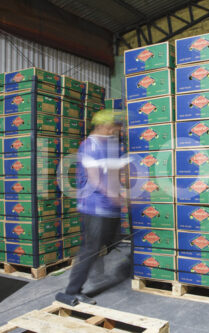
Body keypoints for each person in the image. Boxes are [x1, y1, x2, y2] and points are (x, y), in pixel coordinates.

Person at [57, 109, 127, 305]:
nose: (117, 130)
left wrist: (125, 190)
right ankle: (71, 292)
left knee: (108, 242)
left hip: (111, 207)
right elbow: (95, 178)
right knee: (90, 248)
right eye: (114, 126)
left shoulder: (114, 144)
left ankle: (97, 270)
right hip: (94, 207)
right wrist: (112, 194)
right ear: (103, 126)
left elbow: (119, 171)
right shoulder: (89, 145)